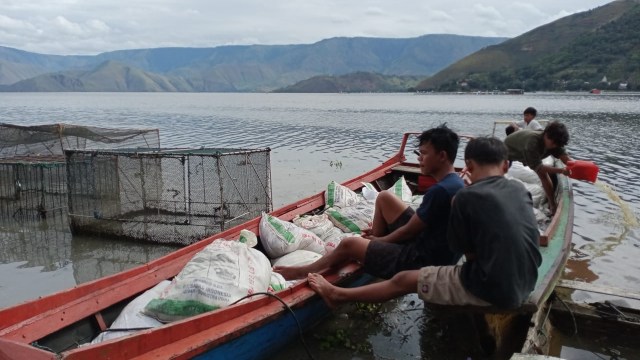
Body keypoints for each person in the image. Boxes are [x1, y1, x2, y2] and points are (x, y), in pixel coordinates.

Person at [308, 137, 542, 310]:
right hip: (528, 281)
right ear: (506, 166)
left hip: (493, 289)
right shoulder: (520, 189)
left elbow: (468, 254)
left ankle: (338, 294)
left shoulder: (463, 197)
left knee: (404, 280)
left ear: (468, 165)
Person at [274, 124, 464, 280]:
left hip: (423, 258)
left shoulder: (440, 191)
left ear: (442, 156)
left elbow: (409, 230)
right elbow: (417, 226)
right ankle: (374, 252)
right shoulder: (455, 182)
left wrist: (380, 240)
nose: (419, 159)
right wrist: (377, 238)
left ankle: (303, 271)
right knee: (384, 198)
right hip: (433, 244)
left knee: (350, 245)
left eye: (424, 153)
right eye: (418, 153)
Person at [504, 121, 572, 214]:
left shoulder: (555, 142)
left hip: (523, 152)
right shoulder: (532, 142)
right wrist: (560, 170)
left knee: (543, 176)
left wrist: (576, 167)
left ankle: (552, 205)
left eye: (557, 144)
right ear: (546, 134)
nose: (554, 146)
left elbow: (567, 159)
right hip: (507, 153)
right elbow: (540, 168)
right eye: (553, 143)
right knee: (500, 178)